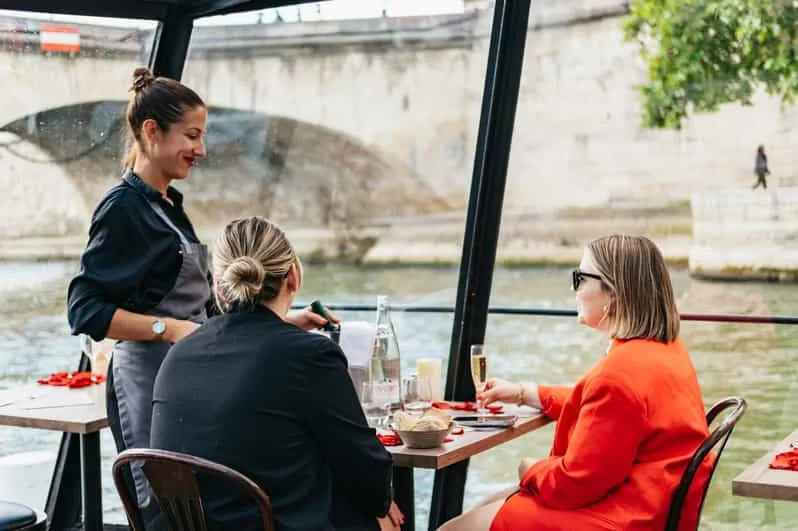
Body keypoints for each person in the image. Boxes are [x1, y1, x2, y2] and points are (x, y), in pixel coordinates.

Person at [66, 68, 332, 526]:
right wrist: (167, 329)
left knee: (200, 505)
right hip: (146, 383)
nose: (201, 149)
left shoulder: (169, 204)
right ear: (151, 132)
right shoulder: (122, 208)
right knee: (164, 510)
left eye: (202, 135)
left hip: (189, 376)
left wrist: (285, 322)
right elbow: (84, 309)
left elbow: (206, 313)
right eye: (191, 135)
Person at [439, 235, 711, 531]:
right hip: (653, 508)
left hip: (622, 519)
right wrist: (523, 393)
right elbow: (606, 409)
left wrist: (530, 469)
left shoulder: (620, 373)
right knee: (485, 508)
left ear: (613, 291)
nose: (573, 288)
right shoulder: (664, 351)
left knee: (453, 529)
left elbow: (575, 483)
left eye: (580, 278)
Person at [150, 216, 402, 531]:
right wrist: (380, 502)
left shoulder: (179, 353)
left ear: (218, 286)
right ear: (293, 276)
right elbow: (369, 470)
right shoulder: (310, 356)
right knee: (382, 516)